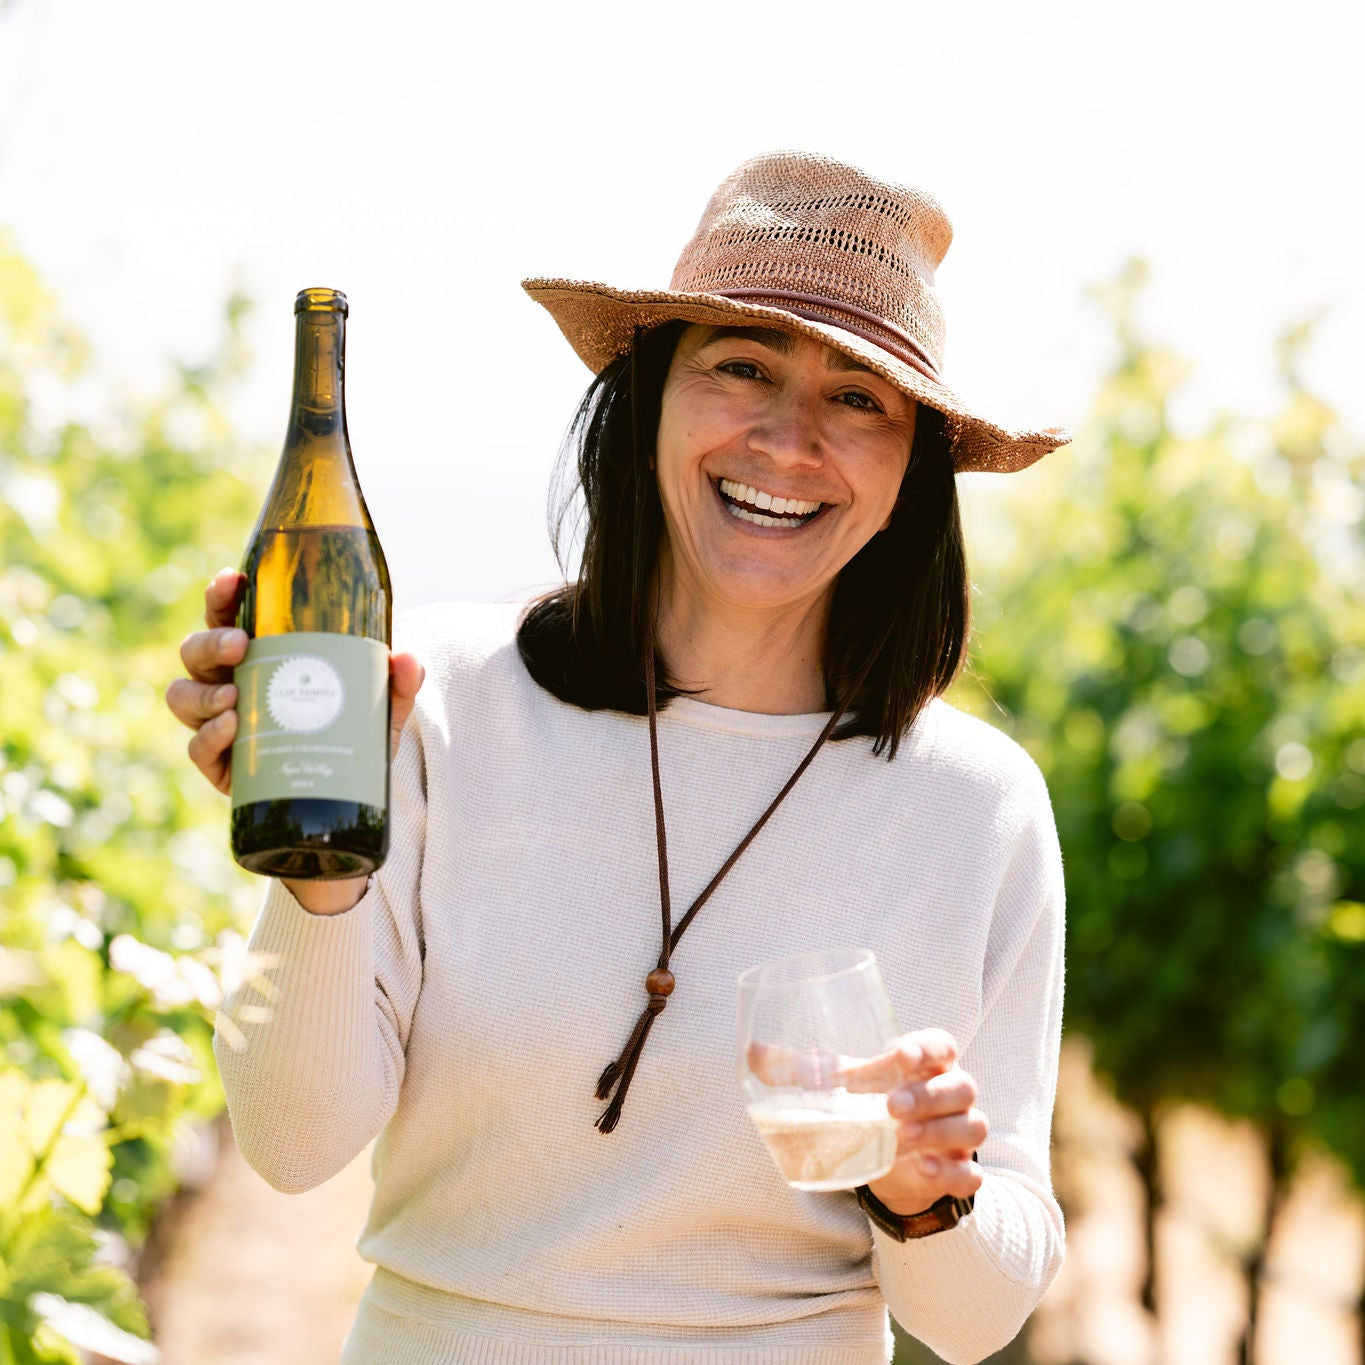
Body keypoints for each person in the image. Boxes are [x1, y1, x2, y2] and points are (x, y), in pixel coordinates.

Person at [167, 150, 1070, 1365]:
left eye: (861, 398)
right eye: (741, 367)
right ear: (646, 397)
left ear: (912, 466)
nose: (791, 439)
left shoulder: (975, 811)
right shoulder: (443, 705)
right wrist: (321, 876)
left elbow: (974, 1323)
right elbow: (291, 1144)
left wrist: (922, 1193)